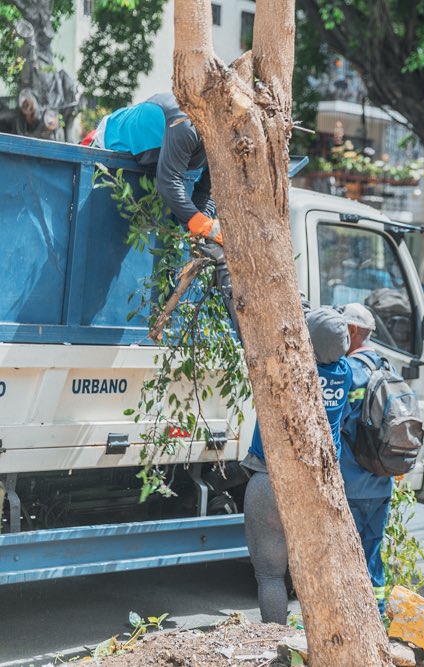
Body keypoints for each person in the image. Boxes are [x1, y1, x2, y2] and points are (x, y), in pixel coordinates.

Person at [89, 93, 237, 331]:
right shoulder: (187, 124)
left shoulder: (224, 143)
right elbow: (169, 182)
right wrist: (200, 223)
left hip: (153, 163)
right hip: (108, 146)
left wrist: (202, 229)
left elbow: (204, 191)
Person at [241, 306, 352, 624]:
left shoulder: (287, 369)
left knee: (270, 576)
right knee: (317, 577)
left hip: (271, 481)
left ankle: (275, 640)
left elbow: (253, 330)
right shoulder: (345, 372)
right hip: (320, 485)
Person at [340, 302, 395, 615]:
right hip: (381, 483)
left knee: (346, 557)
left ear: (350, 331)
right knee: (372, 555)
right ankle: (377, 615)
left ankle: (351, 619)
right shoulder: (387, 367)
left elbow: (337, 423)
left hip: (352, 482)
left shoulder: (350, 371)